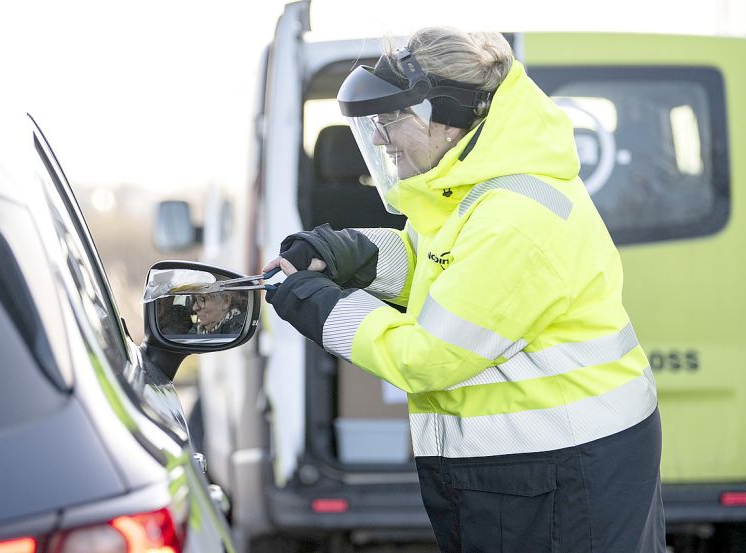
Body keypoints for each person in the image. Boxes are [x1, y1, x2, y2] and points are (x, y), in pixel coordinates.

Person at [264, 27, 664, 553]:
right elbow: (440, 267)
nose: (380, 139)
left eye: (391, 119)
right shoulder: (479, 187)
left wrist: (317, 304)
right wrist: (346, 252)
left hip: (561, 472)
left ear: (447, 119)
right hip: (540, 469)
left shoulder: (513, 218)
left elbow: (426, 357)